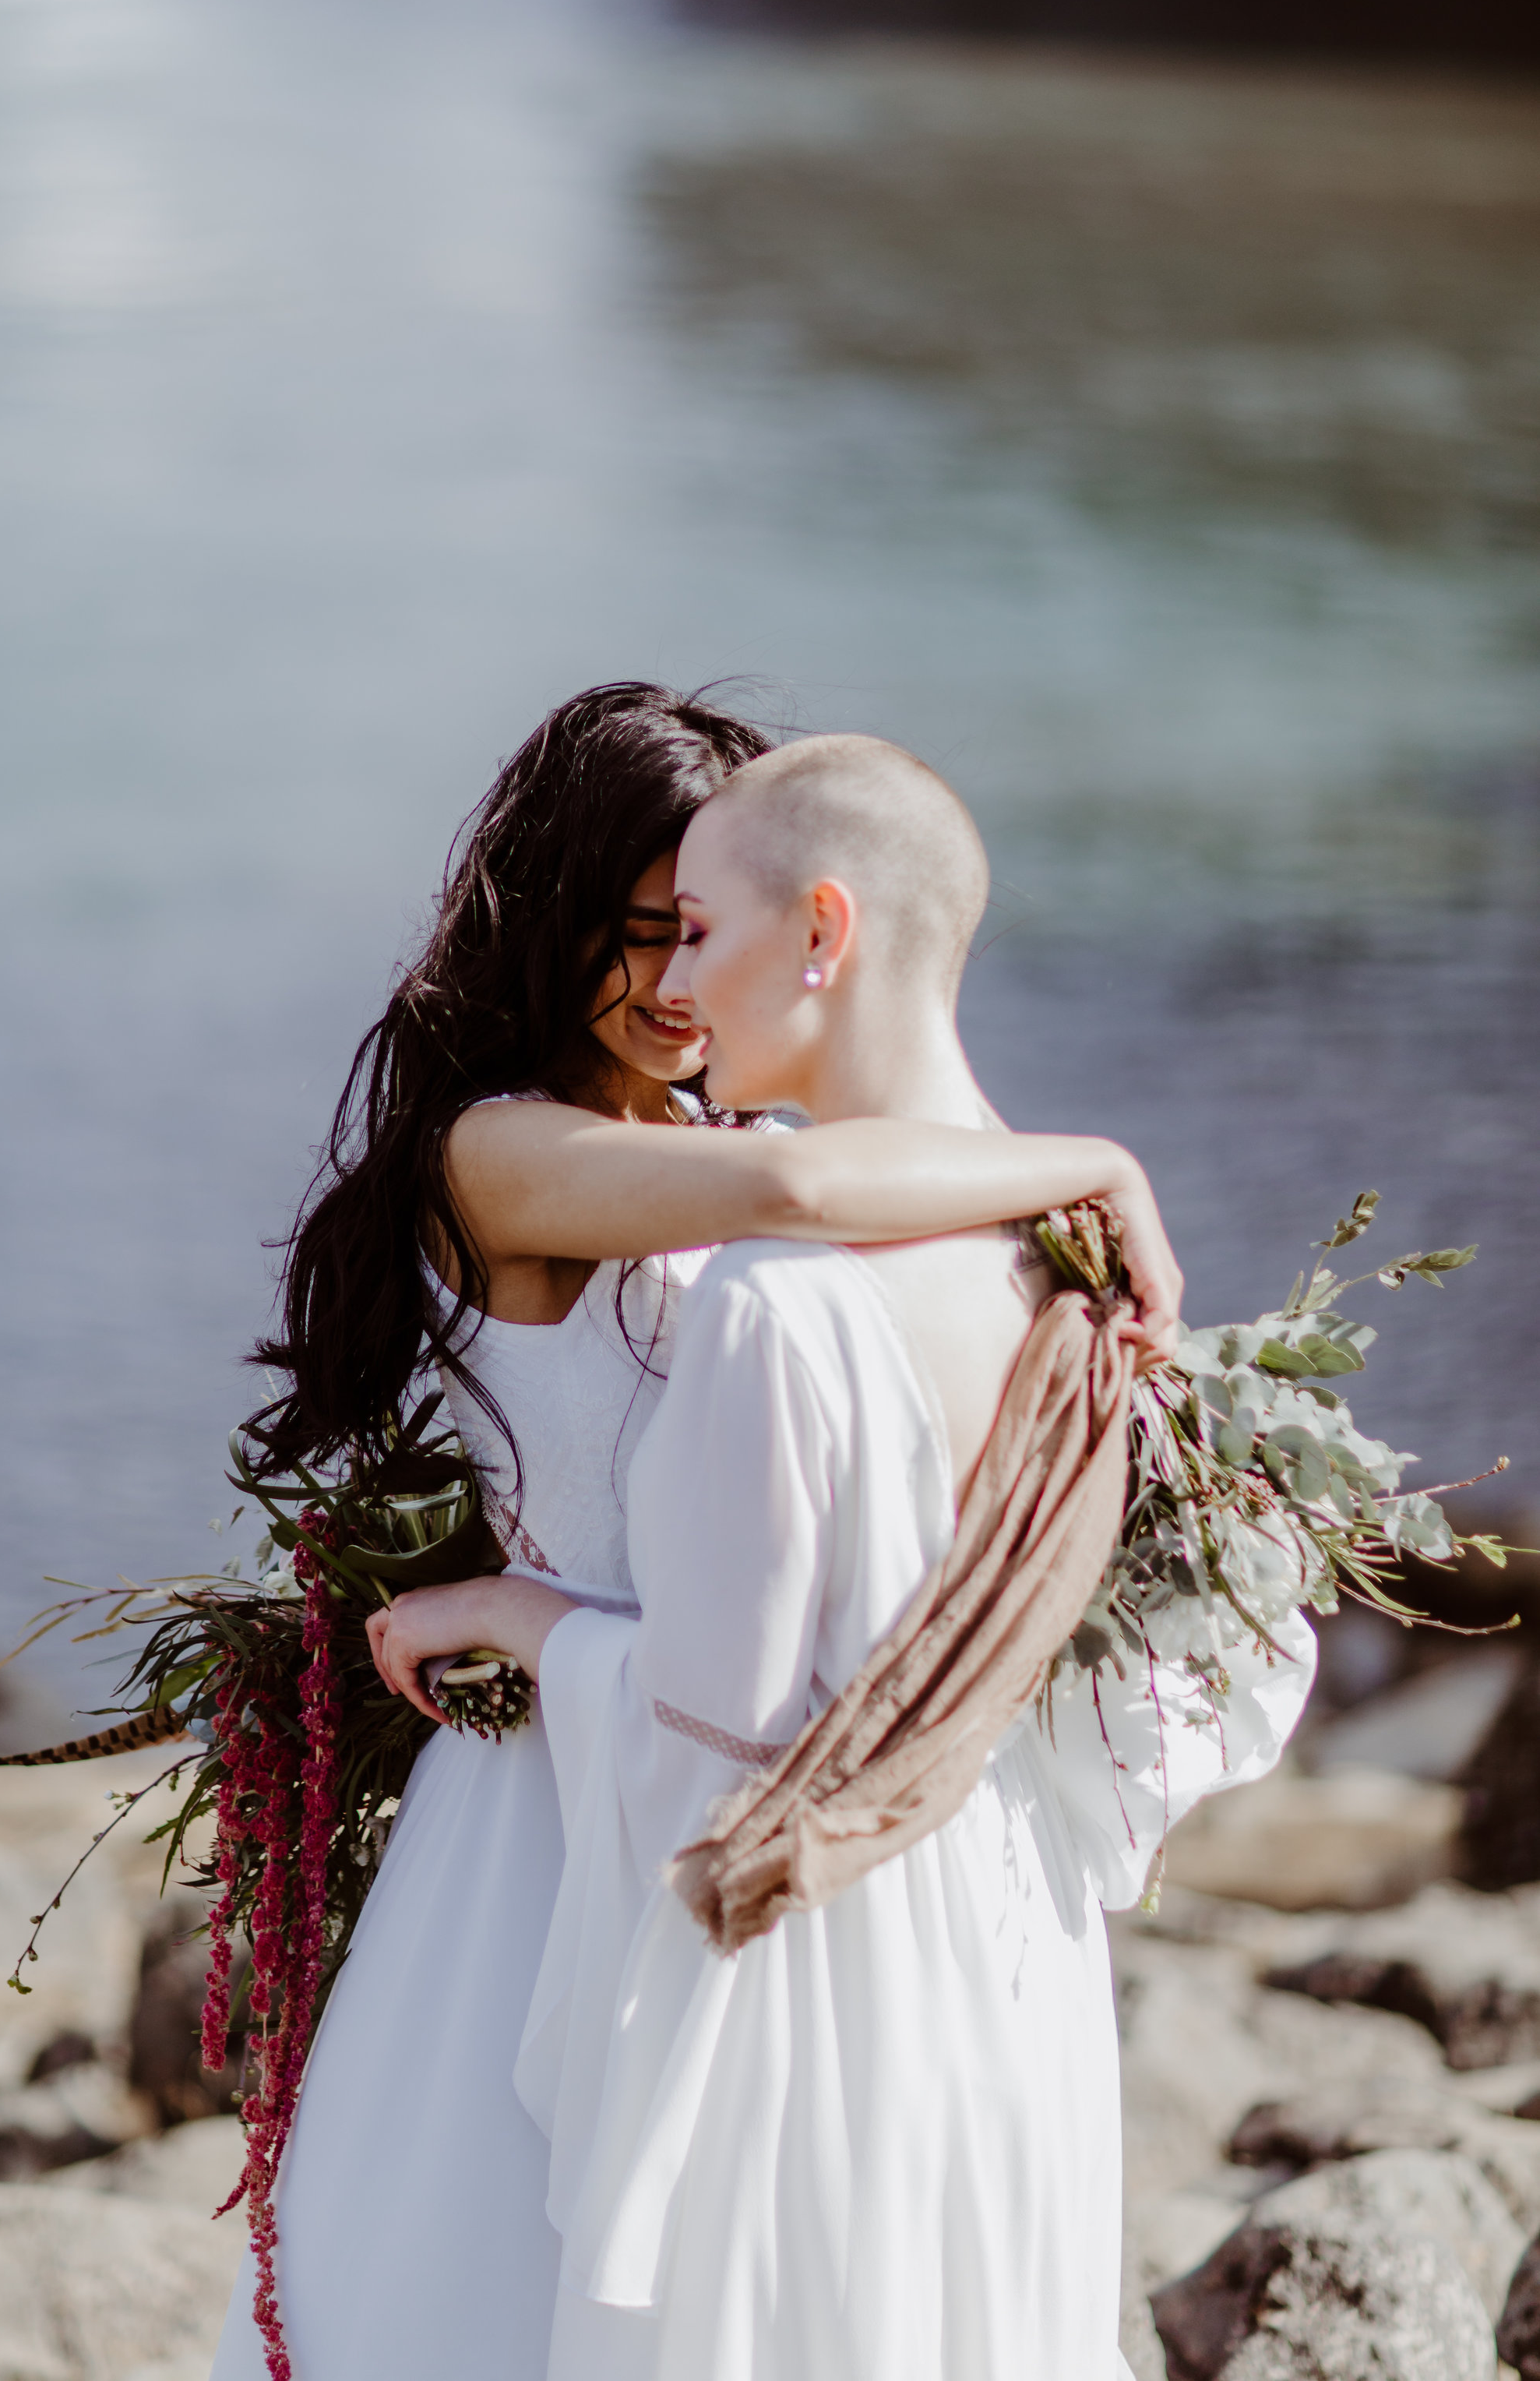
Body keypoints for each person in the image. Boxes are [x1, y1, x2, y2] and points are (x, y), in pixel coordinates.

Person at [211, 689, 1186, 2381]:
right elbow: (798, 1200)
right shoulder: (503, 1152)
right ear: (554, 911)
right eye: (644, 931)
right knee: (506, 2268)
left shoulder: (721, 1132)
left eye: (702, 932)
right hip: (553, 1802)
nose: (674, 985)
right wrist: (1094, 1162)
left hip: (721, 1737)